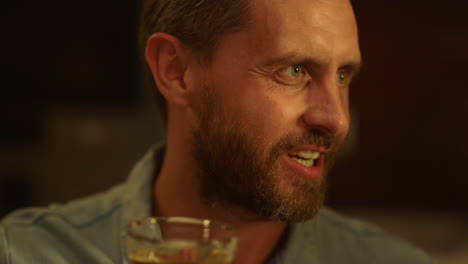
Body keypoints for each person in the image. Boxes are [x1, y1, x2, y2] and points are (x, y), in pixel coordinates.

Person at [0, 0, 435, 263]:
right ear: (176, 70)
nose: (337, 119)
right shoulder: (23, 253)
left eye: (343, 76)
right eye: (295, 70)